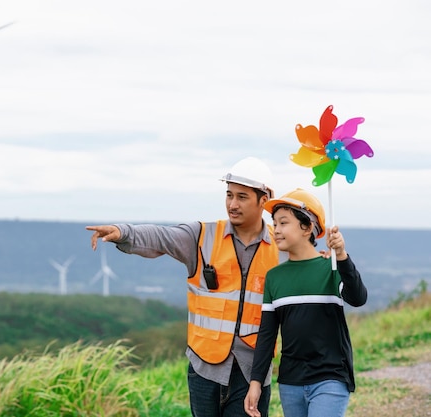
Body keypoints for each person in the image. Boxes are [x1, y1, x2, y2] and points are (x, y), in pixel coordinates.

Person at [86, 157, 280, 416]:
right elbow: (161, 237)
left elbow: (308, 267)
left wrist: (328, 258)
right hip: (204, 368)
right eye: (229, 195)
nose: (232, 204)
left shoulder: (282, 248)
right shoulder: (201, 235)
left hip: (253, 372)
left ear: (263, 200)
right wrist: (123, 232)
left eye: (242, 197)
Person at [243, 188, 367, 417]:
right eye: (275, 223)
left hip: (331, 378)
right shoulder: (274, 277)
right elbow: (267, 334)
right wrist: (256, 381)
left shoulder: (331, 267)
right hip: (291, 382)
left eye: (284, 223)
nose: (276, 230)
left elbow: (358, 298)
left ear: (307, 227)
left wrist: (341, 255)